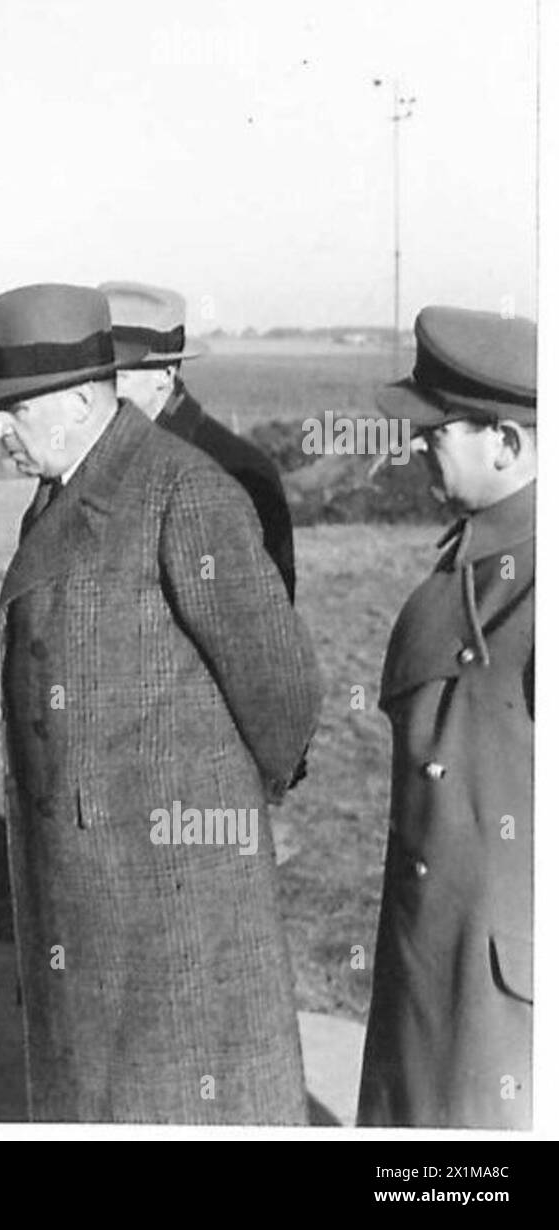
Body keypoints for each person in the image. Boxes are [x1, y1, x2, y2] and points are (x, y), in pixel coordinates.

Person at [0, 284, 322, 1123]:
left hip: (172, 897)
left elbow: (282, 684)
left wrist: (217, 811)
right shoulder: (63, 491)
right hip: (93, 890)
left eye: (13, 408)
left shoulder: (184, 494)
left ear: (83, 401)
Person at [357, 306, 535, 1129]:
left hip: (502, 992)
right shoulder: (470, 563)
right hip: (429, 966)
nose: (417, 444)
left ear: (507, 443)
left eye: (437, 430)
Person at [99, 281, 297, 600]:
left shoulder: (235, 469)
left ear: (165, 374)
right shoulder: (91, 456)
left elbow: (264, 610)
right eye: (96, 376)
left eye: (119, 375)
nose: (102, 391)